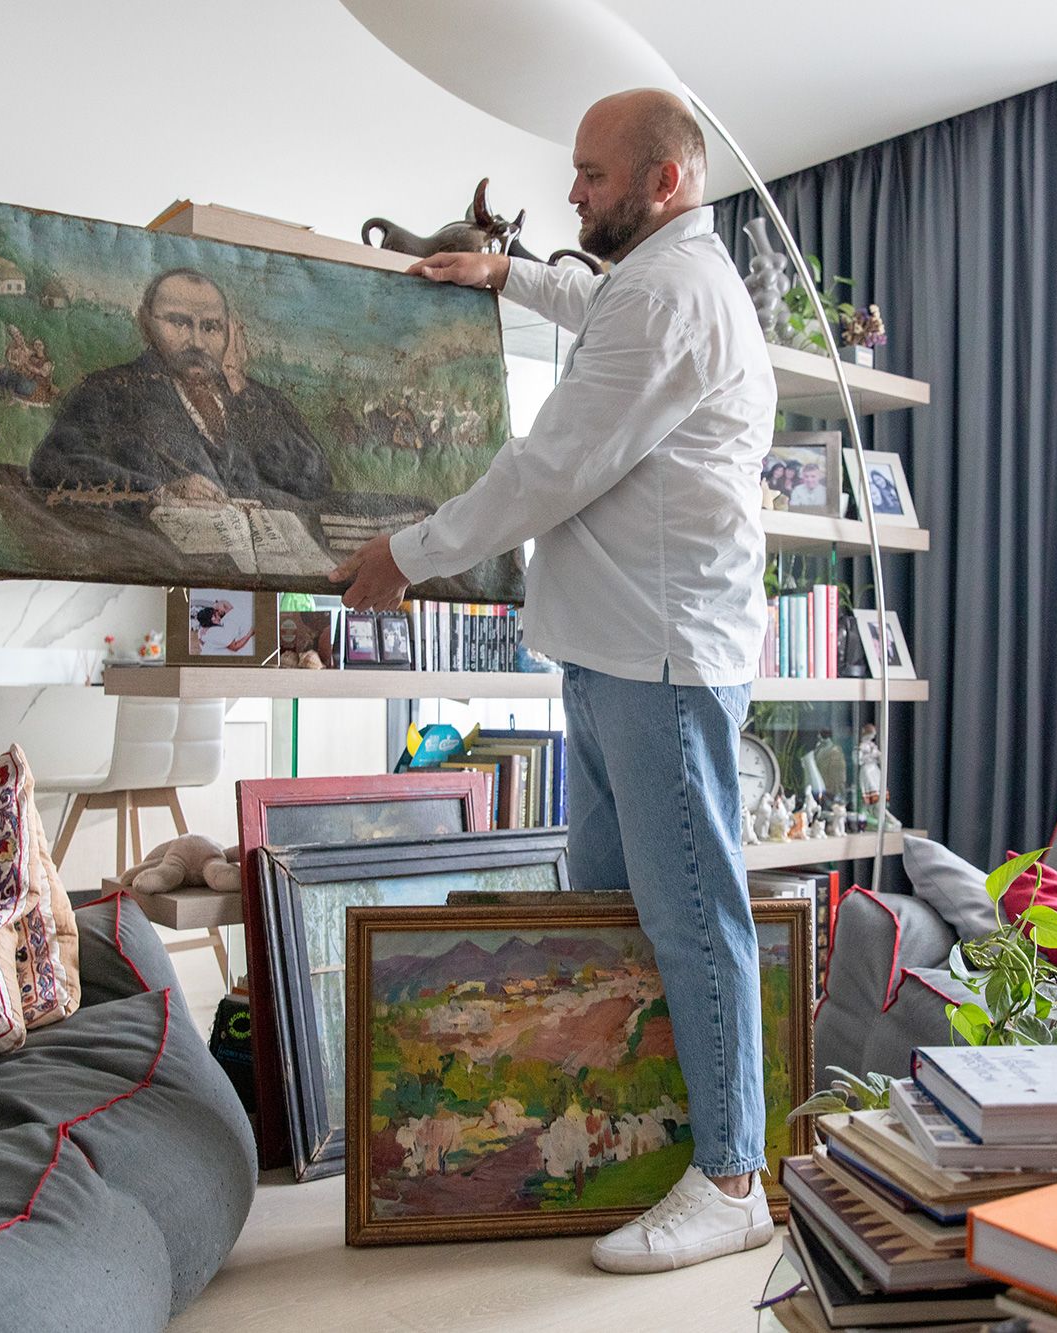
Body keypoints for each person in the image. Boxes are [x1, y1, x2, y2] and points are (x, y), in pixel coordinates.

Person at [333, 88, 777, 1274]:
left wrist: (407, 555)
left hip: (659, 659)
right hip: (610, 651)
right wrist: (504, 275)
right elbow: (594, 301)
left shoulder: (672, 297)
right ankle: (637, 1140)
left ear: (663, 182)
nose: (571, 192)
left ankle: (731, 1179)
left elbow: (550, 466)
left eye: (591, 174)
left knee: (690, 919)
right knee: (608, 913)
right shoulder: (652, 281)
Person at [28, 268, 332, 506]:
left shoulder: (258, 400)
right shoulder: (108, 391)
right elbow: (52, 464)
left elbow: (314, 481)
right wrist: (159, 492)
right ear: (146, 323)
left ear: (230, 332)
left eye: (211, 327)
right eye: (179, 323)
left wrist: (240, 388)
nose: (197, 342)